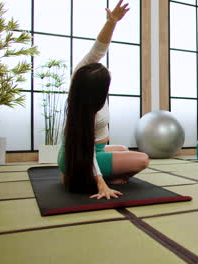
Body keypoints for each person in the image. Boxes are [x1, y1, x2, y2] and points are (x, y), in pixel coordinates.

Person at [58, 1, 149, 200]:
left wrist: (112, 22)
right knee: (142, 159)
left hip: (82, 150)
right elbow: (86, 151)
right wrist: (101, 183)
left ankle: (74, 175)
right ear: (98, 91)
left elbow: (98, 49)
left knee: (124, 150)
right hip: (81, 156)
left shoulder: (80, 77)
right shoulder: (89, 112)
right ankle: (83, 176)